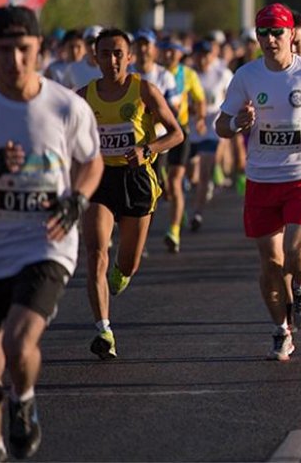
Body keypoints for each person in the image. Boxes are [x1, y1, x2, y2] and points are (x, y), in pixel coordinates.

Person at [0, 5, 103, 462]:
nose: (15, 60)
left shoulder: (66, 106)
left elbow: (91, 161)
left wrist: (79, 199)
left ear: (40, 49)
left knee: (17, 341)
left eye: (24, 49)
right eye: (4, 50)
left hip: (46, 240)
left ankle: (24, 397)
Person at [215, 3, 301, 360]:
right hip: (260, 180)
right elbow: (220, 125)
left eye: (277, 32)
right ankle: (281, 330)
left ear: (291, 34)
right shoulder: (246, 76)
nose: (270, 39)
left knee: (294, 254)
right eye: (263, 33)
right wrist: (237, 123)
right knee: (270, 264)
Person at [80, 29, 184, 359]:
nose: (112, 60)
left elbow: (177, 134)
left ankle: (122, 272)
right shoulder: (83, 95)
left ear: (129, 57)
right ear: (94, 57)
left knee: (128, 263)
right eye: (105, 53)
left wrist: (149, 149)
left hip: (137, 179)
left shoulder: (144, 90)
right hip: (100, 179)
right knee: (96, 253)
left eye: (118, 53)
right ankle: (104, 330)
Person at [159, 37, 205, 252]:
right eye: (165, 50)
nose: (169, 55)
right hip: (158, 134)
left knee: (176, 181)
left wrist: (202, 118)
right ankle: (179, 205)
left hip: (180, 132)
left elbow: (199, 98)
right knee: (164, 186)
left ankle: (174, 231)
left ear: (180, 54)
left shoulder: (188, 74)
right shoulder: (155, 74)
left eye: (173, 51)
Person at [189, 41, 233, 231]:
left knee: (205, 171)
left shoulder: (222, 74)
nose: (204, 58)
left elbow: (233, 96)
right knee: (192, 174)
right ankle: (187, 202)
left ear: (212, 56)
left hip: (211, 131)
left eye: (207, 54)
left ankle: (197, 212)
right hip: (190, 131)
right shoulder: (188, 75)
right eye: (200, 54)